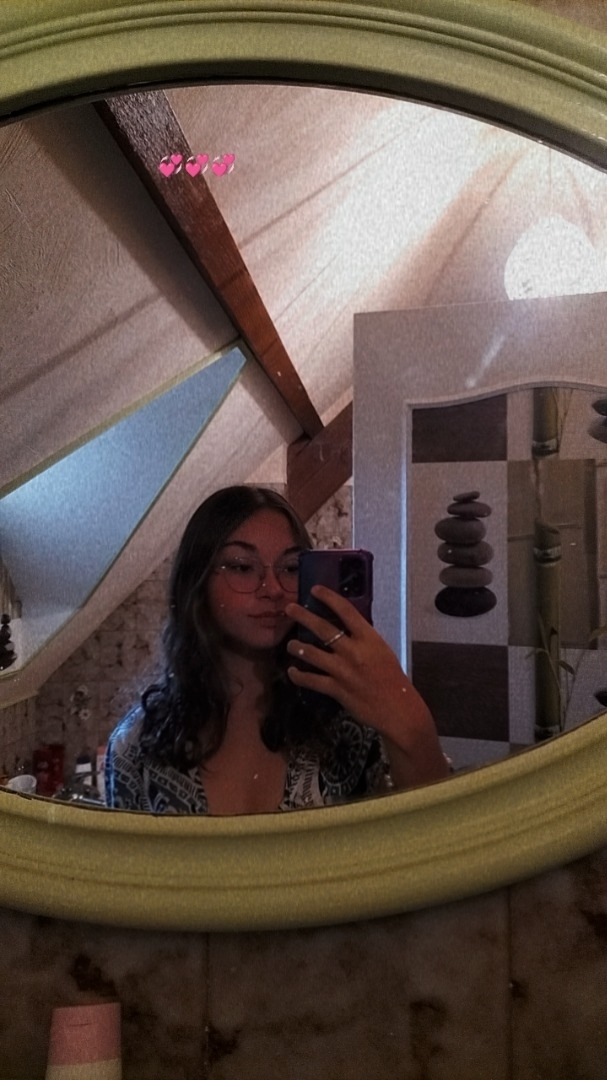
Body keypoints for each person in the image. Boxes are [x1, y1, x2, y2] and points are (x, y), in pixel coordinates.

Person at [105, 485, 448, 814]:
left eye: (291, 568)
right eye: (242, 567)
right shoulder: (136, 746)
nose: (272, 589)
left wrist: (407, 715)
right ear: (196, 582)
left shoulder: (348, 723)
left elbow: (430, 832)